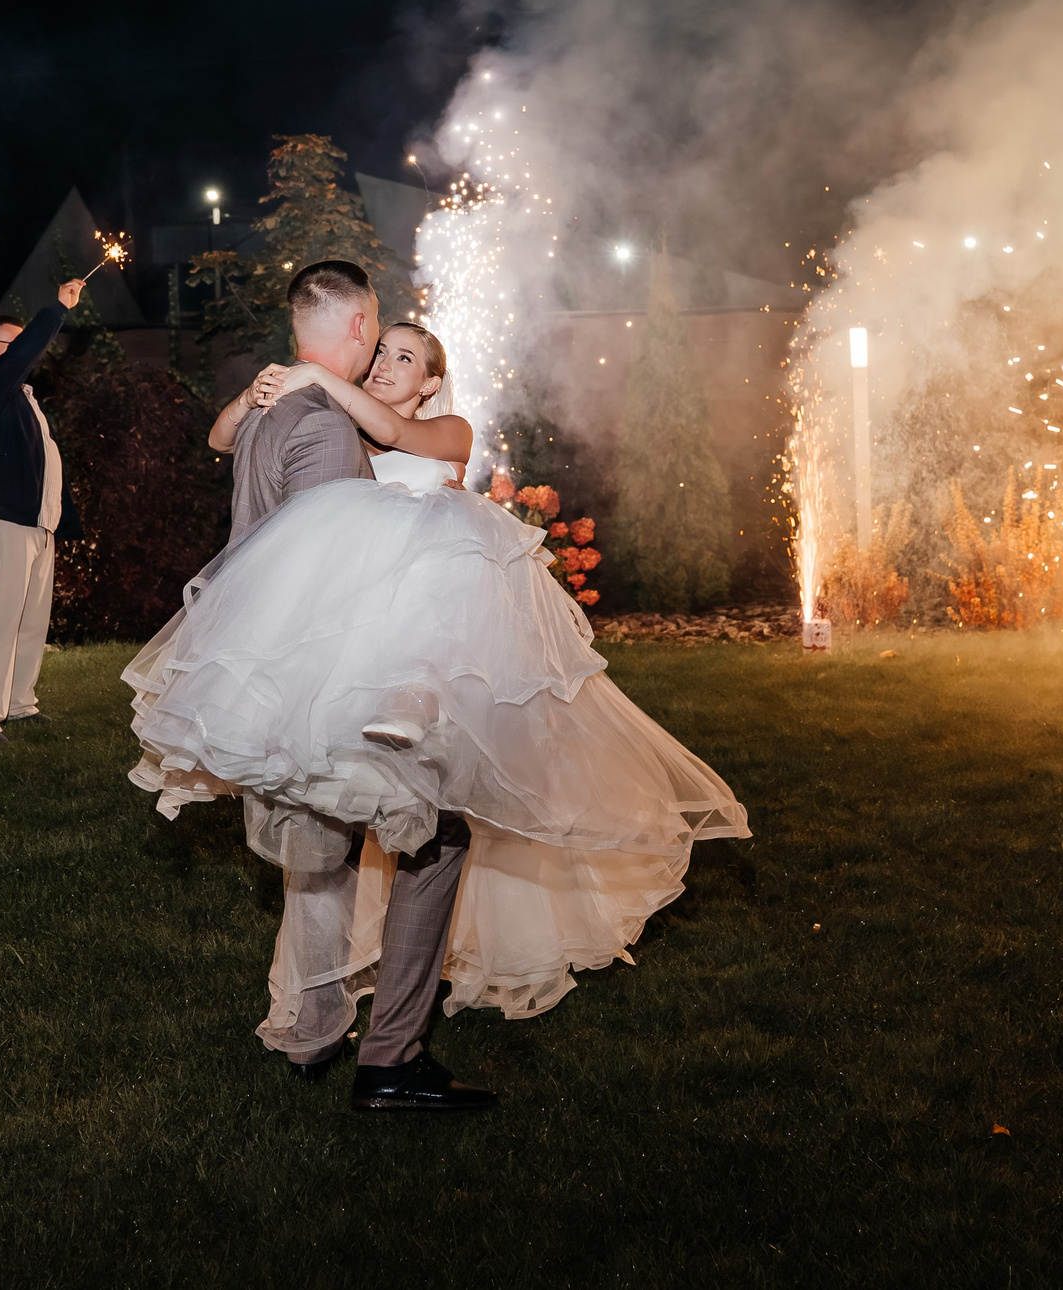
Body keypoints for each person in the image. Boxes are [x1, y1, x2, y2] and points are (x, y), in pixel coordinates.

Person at [129, 263, 747, 1110]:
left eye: (408, 357)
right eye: (382, 345)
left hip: (336, 672)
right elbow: (315, 540)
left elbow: (316, 456)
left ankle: (316, 1034)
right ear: (359, 332)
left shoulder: (341, 419)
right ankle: (388, 1057)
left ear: (431, 381)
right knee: (419, 838)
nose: (386, 362)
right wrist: (281, 389)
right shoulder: (336, 432)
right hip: (344, 671)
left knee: (323, 848)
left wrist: (291, 381)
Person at [0, 276, 86, 743]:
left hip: (36, 523)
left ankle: (20, 704)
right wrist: (57, 309)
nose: (25, 352)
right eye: (12, 344)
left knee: (31, 621)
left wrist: (56, 521)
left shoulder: (26, 399)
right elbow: (21, 357)